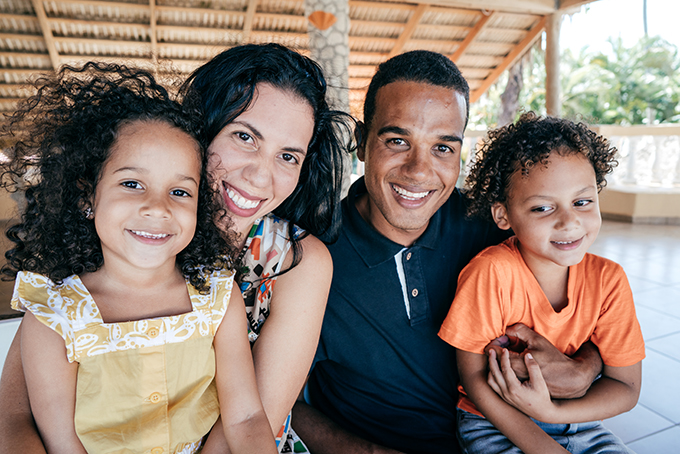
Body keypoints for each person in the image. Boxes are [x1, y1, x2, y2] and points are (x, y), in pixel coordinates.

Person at [0, 43, 352, 453]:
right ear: (200, 129)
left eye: (288, 156)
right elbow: (16, 418)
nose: (261, 175)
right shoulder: (89, 242)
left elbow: (254, 419)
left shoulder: (289, 265)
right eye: (244, 136)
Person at [292, 51, 604, 454]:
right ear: (362, 142)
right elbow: (286, 405)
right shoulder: (309, 256)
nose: (419, 170)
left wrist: (586, 368)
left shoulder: (493, 226)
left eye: (443, 147)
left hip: (510, 438)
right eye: (397, 141)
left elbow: (595, 307)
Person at [438, 112, 644, 454]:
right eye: (543, 208)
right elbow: (474, 380)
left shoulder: (609, 281)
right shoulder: (490, 273)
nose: (569, 221)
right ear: (503, 215)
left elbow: (626, 387)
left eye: (582, 202)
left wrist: (552, 411)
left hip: (581, 422)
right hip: (496, 424)